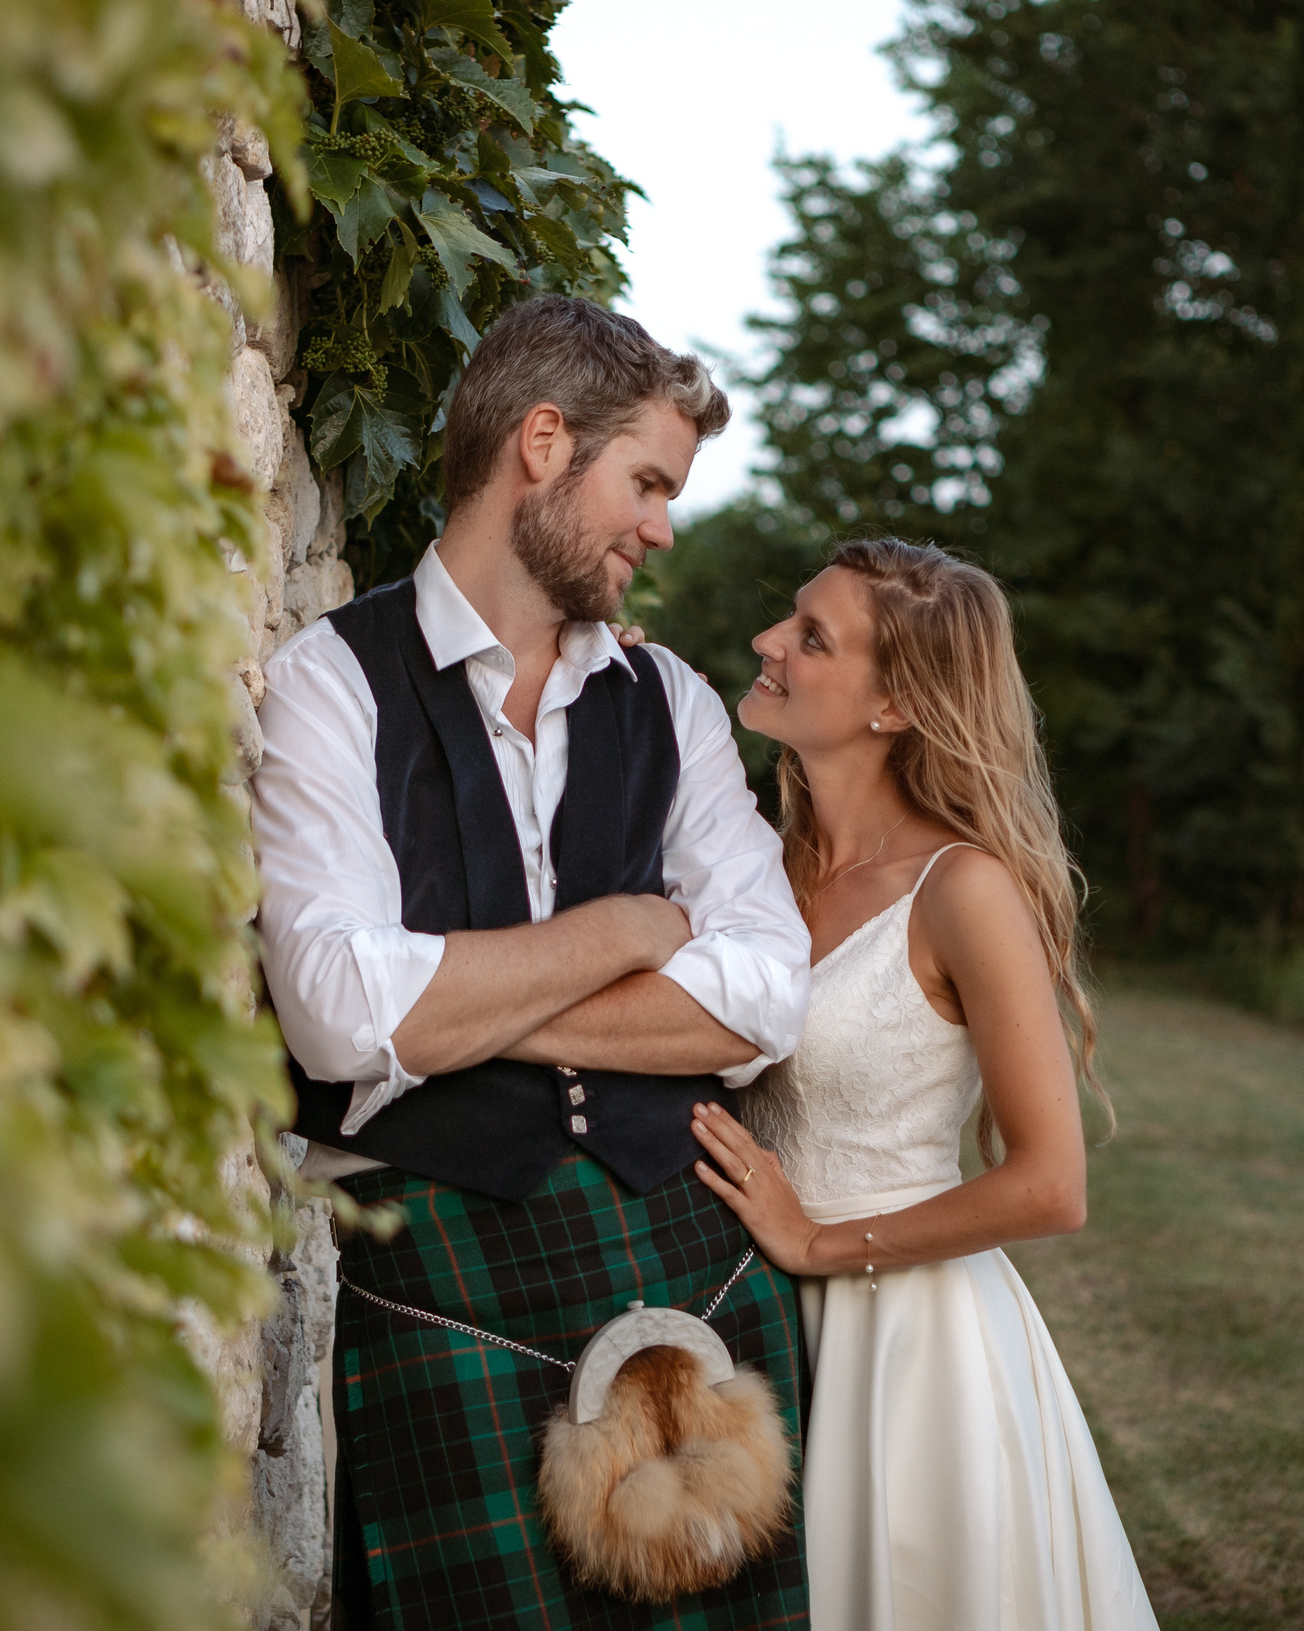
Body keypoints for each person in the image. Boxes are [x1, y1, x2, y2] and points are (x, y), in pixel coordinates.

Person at [252, 297, 813, 1629]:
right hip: (441, 1281)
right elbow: (337, 1018)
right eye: (650, 482)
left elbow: (764, 996)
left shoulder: (666, 698)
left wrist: (449, 1012)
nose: (663, 526)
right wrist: (623, 931)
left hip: (689, 1249)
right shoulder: (329, 681)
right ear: (545, 444)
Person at [685, 537, 1160, 1630]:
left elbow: (1051, 1184)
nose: (767, 642)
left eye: (811, 637)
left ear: (893, 702)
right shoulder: (753, 858)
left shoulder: (964, 892)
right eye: (786, 621)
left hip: (911, 1347)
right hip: (750, 1322)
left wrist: (816, 1245)